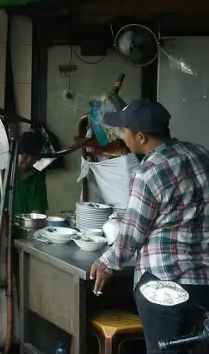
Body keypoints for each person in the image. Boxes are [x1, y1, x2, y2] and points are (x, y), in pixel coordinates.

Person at [89, 100, 209, 353]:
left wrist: (106, 263)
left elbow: (131, 234)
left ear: (140, 137)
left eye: (124, 130)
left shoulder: (148, 173)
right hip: (203, 282)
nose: (121, 136)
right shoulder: (201, 154)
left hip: (164, 286)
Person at [0, 130, 48, 215]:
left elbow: (38, 213)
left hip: (23, 225)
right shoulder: (1, 168)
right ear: (15, 151)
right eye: (25, 157)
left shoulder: (36, 175)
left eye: (33, 159)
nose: (27, 163)